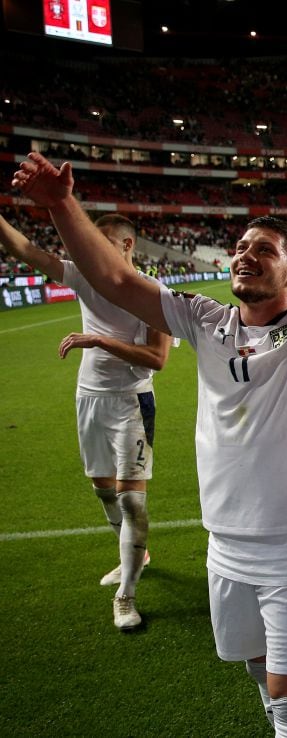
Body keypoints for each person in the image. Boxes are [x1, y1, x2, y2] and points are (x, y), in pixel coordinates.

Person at [13, 101, 287, 737]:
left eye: (263, 250)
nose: (245, 255)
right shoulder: (206, 321)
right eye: (240, 247)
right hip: (225, 543)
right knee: (256, 669)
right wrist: (60, 207)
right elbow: (114, 277)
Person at [0, 212, 170, 632]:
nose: (88, 250)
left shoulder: (153, 292)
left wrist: (99, 341)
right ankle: (137, 554)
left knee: (132, 499)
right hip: (89, 400)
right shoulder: (83, 276)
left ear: (127, 246)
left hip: (132, 402)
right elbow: (24, 249)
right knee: (104, 492)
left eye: (102, 241)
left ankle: (126, 595)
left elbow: (158, 359)